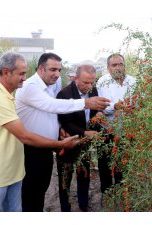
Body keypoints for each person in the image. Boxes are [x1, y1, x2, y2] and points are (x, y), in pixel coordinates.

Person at [0, 51, 80, 212]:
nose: (24, 77)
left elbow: (47, 113)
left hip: (12, 171)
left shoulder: (8, 95)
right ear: (6, 72)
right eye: (21, 73)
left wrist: (58, 130)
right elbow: (24, 136)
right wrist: (60, 144)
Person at [15, 53, 110, 212]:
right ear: (40, 68)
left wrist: (59, 129)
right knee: (32, 194)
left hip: (47, 147)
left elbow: (51, 115)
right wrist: (85, 104)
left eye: (59, 70)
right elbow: (53, 106)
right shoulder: (31, 87)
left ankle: (82, 205)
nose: (57, 74)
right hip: (32, 150)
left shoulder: (49, 87)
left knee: (39, 193)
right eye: (53, 69)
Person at [56, 64, 100, 212]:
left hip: (85, 143)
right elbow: (66, 123)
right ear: (75, 78)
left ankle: (83, 204)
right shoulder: (64, 94)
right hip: (69, 142)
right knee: (65, 180)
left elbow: (94, 112)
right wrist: (85, 133)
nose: (89, 86)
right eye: (85, 82)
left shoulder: (93, 90)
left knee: (84, 174)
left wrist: (98, 114)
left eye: (92, 82)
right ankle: (65, 208)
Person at [96, 53, 136, 196]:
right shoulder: (102, 82)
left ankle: (121, 193)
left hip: (128, 131)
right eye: (114, 65)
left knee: (123, 163)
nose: (118, 68)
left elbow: (139, 101)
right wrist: (117, 106)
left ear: (125, 65)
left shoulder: (133, 82)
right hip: (109, 131)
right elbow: (103, 107)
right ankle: (106, 195)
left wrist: (136, 107)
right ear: (108, 68)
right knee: (106, 164)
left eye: (121, 64)